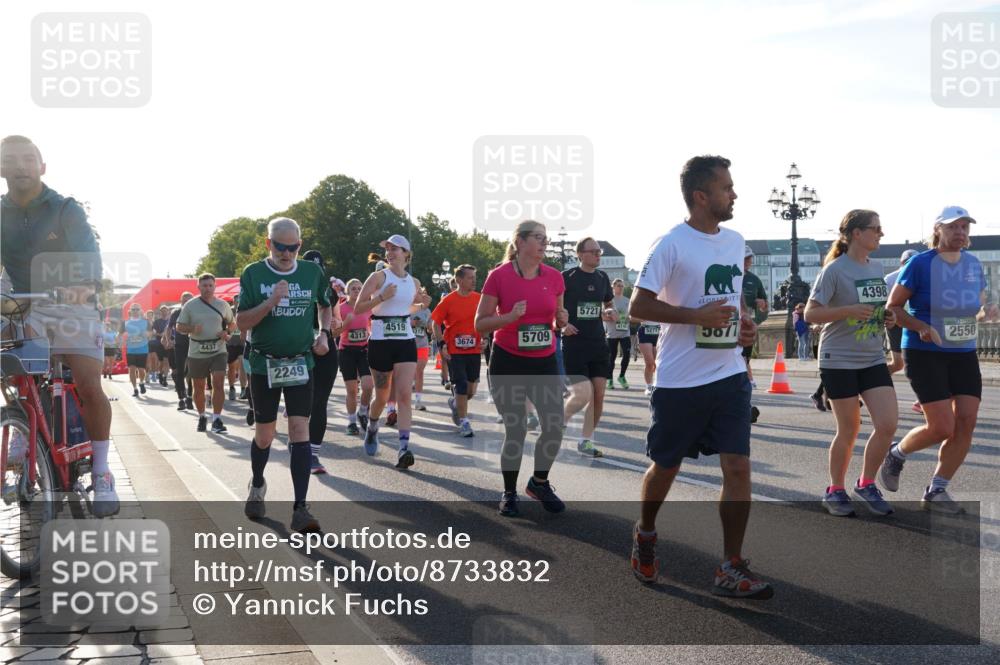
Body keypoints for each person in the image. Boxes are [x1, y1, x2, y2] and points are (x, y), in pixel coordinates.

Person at [627, 155, 772, 598]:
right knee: (666, 467)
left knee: (738, 467)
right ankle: (646, 534)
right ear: (701, 196)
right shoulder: (671, 243)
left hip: (729, 375)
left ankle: (731, 565)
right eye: (727, 187)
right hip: (680, 381)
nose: (734, 194)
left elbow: (732, 302)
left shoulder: (734, 242)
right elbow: (638, 306)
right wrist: (695, 316)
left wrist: (744, 326)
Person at [1, 134, 118, 517]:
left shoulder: (65, 208)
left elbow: (89, 254)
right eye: (11, 159)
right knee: (11, 365)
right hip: (26, 307)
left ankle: (101, 471)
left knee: (87, 384)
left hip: (72, 304)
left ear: (42, 166)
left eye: (28, 158)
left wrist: (83, 287)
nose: (20, 165)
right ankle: (20, 424)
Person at [880, 206, 998, 514]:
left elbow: (977, 308)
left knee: (967, 421)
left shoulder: (973, 264)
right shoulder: (920, 264)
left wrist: (988, 314)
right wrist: (921, 327)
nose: (960, 232)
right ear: (938, 231)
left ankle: (937, 489)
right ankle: (897, 453)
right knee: (943, 427)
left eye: (964, 228)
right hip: (925, 352)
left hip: (963, 352)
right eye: (953, 227)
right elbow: (894, 308)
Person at [237, 217, 332, 532]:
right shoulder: (254, 274)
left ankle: (300, 507)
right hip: (265, 363)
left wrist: (323, 334)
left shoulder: (311, 272)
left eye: (293, 247)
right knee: (265, 434)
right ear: (269, 244)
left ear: (299, 246)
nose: (287, 253)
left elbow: (325, 305)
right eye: (280, 246)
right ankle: (257, 484)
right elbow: (242, 323)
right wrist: (271, 301)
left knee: (298, 430)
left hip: (301, 362)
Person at [804, 209, 898, 517]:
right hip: (838, 358)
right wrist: (847, 310)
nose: (880, 233)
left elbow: (874, 309)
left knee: (887, 424)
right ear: (856, 233)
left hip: (871, 356)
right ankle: (835, 489)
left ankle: (867, 482)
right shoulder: (834, 270)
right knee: (849, 429)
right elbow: (811, 314)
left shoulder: (878, 266)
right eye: (875, 228)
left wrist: (887, 316)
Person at [475, 221, 569, 517]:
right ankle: (509, 491)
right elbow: (481, 324)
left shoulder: (554, 278)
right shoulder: (498, 277)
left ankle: (539, 483)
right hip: (508, 360)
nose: (544, 243)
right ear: (520, 242)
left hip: (544, 360)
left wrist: (562, 320)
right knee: (516, 429)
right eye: (538, 238)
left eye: (546, 238)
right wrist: (510, 317)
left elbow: (556, 320)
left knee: (554, 426)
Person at [353, 235, 431, 469]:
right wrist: (380, 297)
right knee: (383, 396)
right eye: (387, 249)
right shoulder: (378, 277)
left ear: (406, 253)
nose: (389, 252)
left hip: (405, 340)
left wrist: (421, 305)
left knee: (405, 394)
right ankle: (373, 426)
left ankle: (404, 448)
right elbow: (358, 308)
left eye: (394, 249)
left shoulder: (413, 282)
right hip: (380, 341)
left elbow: (404, 307)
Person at [561, 237, 616, 457]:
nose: (598, 255)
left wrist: (610, 312)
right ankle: (560, 421)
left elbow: (608, 304)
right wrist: (563, 325)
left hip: (598, 343)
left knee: (599, 395)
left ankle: (585, 440)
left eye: (599, 251)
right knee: (583, 394)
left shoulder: (603, 277)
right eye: (594, 251)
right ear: (580, 254)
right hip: (575, 344)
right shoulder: (567, 277)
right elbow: (552, 306)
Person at [301, 249, 343, 474]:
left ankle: (313, 454)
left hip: (326, 348)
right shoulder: (291, 288)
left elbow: (337, 320)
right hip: (298, 349)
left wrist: (333, 328)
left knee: (319, 402)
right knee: (302, 402)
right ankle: (298, 443)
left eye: (319, 268)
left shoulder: (329, 292)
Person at [176, 273, 234, 434]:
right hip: (197, 350)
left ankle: (216, 419)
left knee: (218, 382)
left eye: (210, 285)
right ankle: (202, 415)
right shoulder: (190, 305)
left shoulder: (222, 304)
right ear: (198, 287)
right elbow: (179, 327)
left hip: (218, 349)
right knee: (199, 386)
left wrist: (227, 332)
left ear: (214, 287)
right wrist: (192, 329)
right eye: (204, 286)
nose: (207, 288)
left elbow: (232, 323)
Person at [432, 264, 482, 438]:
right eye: (470, 277)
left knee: (470, 390)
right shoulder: (448, 300)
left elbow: (487, 320)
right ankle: (464, 422)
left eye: (475, 277)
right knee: (460, 385)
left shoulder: (479, 298)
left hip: (474, 349)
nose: (474, 280)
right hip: (455, 350)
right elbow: (435, 323)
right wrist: (441, 343)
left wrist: (485, 339)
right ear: (459, 280)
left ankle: (455, 403)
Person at [884, 248, 922, 414]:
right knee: (898, 364)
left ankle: (922, 400)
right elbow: (883, 303)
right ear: (902, 263)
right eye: (908, 262)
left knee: (922, 362)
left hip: (914, 323)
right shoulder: (890, 278)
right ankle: (869, 383)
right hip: (896, 324)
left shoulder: (923, 276)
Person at [338, 278, 374, 436]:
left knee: (368, 385)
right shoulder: (341, 309)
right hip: (346, 351)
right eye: (353, 288)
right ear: (347, 291)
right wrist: (345, 324)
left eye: (360, 288)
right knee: (352, 390)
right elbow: (335, 332)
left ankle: (363, 412)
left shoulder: (367, 307)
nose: (357, 291)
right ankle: (352, 422)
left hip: (364, 350)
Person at [167, 292, 195, 410]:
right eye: (185, 300)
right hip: (179, 345)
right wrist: (169, 340)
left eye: (189, 301)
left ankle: (189, 397)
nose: (187, 303)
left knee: (191, 372)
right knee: (180, 371)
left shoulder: (196, 312)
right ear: (181, 301)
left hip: (194, 345)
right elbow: (169, 328)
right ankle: (181, 399)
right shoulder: (176, 312)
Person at [605, 279, 632, 390]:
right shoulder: (609, 300)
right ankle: (610, 379)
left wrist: (628, 318)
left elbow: (631, 315)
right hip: (612, 334)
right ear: (613, 287)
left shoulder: (627, 300)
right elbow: (604, 315)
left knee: (627, 354)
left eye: (622, 286)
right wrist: (611, 316)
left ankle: (621, 376)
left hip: (625, 332)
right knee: (612, 357)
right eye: (618, 285)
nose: (620, 287)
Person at [121, 304, 151, 397]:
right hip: (131, 350)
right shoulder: (125, 322)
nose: (135, 311)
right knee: (132, 369)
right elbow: (120, 334)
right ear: (130, 311)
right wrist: (119, 341)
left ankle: (141, 382)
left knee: (141, 370)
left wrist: (146, 334)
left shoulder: (146, 322)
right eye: (133, 309)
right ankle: (135, 389)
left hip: (143, 349)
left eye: (137, 309)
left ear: (140, 311)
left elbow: (150, 334)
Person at [411, 292, 432, 412]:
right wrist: (411, 323)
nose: (417, 295)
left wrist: (430, 326)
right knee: (408, 373)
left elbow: (429, 328)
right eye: (415, 292)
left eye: (419, 292)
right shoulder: (406, 308)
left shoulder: (427, 311)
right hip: (407, 345)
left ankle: (418, 401)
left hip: (422, 344)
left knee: (419, 372)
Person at [636, 320, 659, 396]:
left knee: (657, 363)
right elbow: (632, 317)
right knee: (649, 363)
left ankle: (657, 385)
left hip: (659, 331)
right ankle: (649, 386)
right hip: (645, 331)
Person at [151, 305, 171, 386]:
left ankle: (165, 378)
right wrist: (160, 334)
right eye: (162, 311)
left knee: (167, 361)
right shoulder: (157, 322)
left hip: (168, 343)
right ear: (160, 312)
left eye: (165, 311)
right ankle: (160, 374)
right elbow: (154, 332)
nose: (164, 312)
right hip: (159, 343)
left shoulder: (171, 321)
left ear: (168, 311)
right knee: (161, 362)